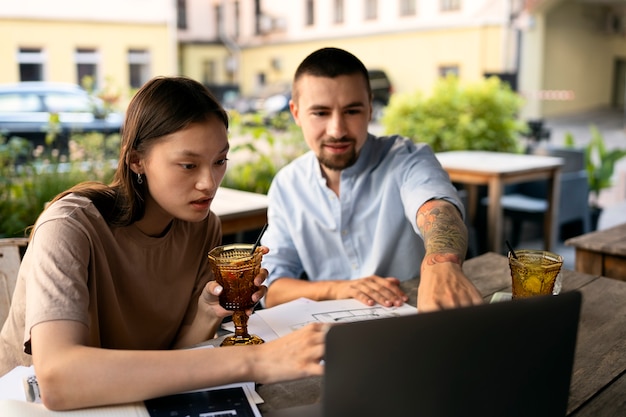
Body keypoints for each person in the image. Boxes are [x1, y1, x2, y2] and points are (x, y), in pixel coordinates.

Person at [0, 76, 326, 411]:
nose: (208, 183)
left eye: (219, 161)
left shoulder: (202, 227)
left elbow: (172, 360)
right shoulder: (69, 227)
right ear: (136, 160)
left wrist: (205, 311)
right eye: (188, 165)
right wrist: (255, 360)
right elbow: (59, 379)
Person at [261, 47, 483, 312]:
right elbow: (271, 289)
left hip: (412, 314)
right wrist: (340, 288)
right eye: (320, 113)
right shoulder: (287, 186)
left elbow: (437, 207)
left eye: (352, 111)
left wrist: (442, 261)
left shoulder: (406, 158)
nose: (337, 130)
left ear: (369, 108)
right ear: (296, 113)